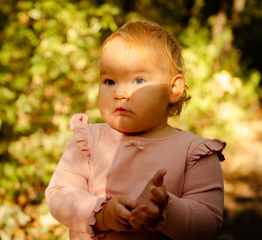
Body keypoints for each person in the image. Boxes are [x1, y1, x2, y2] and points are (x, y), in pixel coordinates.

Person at [45, 20, 226, 240]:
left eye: (138, 80)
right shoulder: (88, 141)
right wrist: (102, 214)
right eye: (109, 81)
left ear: (174, 88)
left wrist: (164, 210)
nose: (120, 93)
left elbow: (208, 221)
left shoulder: (194, 152)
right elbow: (59, 195)